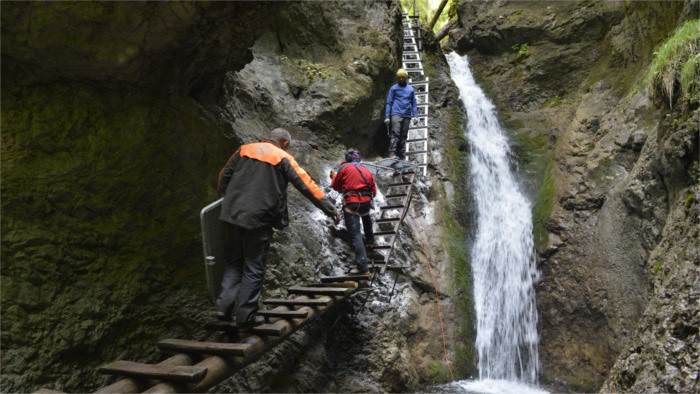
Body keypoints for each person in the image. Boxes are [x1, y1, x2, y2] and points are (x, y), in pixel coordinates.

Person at [216, 128, 340, 329]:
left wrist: (231, 200)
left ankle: (223, 308)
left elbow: (223, 177)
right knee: (254, 267)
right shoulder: (282, 157)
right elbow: (307, 185)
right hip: (259, 218)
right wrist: (331, 209)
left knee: (233, 262)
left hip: (232, 215)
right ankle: (246, 317)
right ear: (285, 143)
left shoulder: (243, 149)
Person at [330, 148, 376, 275]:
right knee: (366, 216)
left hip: (351, 203)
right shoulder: (366, 170)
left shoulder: (344, 168)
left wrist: (334, 177)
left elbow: (335, 186)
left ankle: (363, 267)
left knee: (355, 234)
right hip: (366, 203)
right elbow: (374, 192)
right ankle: (371, 242)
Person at [384, 68, 418, 160]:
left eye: (402, 77)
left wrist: (415, 116)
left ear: (405, 77)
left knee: (403, 136)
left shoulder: (410, 90)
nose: (401, 79)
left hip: (407, 115)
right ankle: (392, 153)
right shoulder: (394, 88)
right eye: (399, 77)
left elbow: (414, 103)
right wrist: (387, 116)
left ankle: (400, 154)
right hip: (396, 114)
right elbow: (389, 102)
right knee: (395, 133)